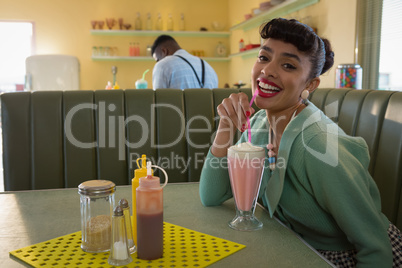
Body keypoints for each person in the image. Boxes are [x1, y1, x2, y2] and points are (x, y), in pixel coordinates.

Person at [199, 18, 402, 268]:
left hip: (348, 258)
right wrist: (225, 127)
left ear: (310, 85)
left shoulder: (318, 146)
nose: (267, 70)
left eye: (287, 65)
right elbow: (212, 195)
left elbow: (375, 248)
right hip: (296, 247)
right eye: (264, 57)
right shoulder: (261, 123)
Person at [151, 35, 218, 90]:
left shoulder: (162, 65)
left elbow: (159, 102)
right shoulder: (209, 67)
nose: (158, 62)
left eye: (157, 59)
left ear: (164, 51)